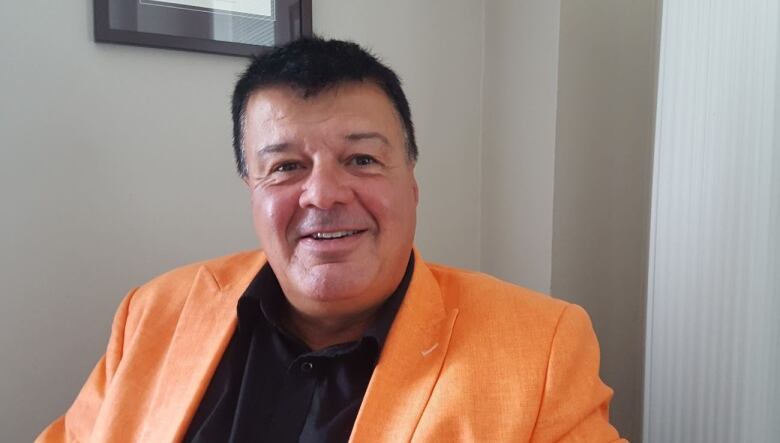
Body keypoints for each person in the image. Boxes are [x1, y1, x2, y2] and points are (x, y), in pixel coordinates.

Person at [37, 38, 625, 442]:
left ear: (412, 185)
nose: (323, 194)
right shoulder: (151, 314)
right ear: (252, 191)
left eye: (362, 158)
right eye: (286, 166)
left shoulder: (541, 348)